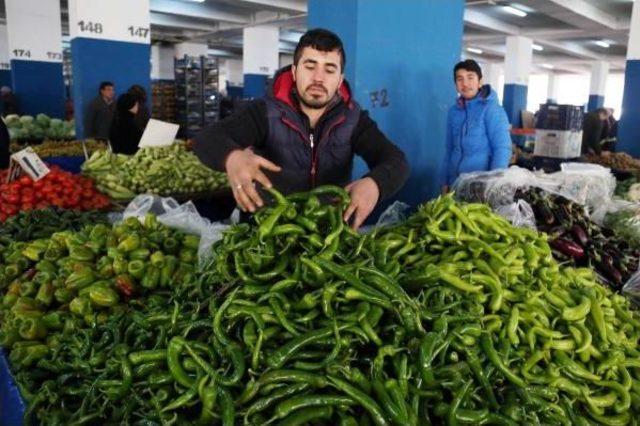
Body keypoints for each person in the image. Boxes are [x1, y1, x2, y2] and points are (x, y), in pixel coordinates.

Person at [193, 28, 409, 229]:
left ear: (340, 79)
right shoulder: (264, 112)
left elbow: (396, 161)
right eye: (310, 65)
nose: (318, 77)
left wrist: (375, 184)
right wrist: (232, 157)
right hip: (265, 232)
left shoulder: (354, 119)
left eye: (329, 69)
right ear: (295, 72)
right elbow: (207, 138)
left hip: (324, 234)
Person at [441, 59, 511, 193]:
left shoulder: (492, 109)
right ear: (455, 84)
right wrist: (444, 180)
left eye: (470, 77)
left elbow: (502, 149)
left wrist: (493, 186)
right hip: (455, 184)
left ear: (480, 82)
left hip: (480, 187)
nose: (465, 83)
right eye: (459, 79)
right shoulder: (453, 112)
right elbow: (449, 150)